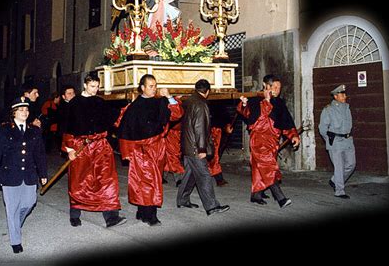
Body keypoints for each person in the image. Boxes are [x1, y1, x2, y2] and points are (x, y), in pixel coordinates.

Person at [116, 74, 184, 226]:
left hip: (157, 148)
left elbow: (177, 114)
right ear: (142, 88)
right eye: (151, 86)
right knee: (146, 182)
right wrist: (128, 153)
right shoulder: (133, 107)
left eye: (155, 86)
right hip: (141, 151)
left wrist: (170, 97)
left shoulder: (160, 102)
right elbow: (125, 130)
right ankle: (150, 214)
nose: (154, 89)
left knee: (153, 180)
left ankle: (142, 211)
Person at [62, 73, 126, 228]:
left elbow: (114, 118)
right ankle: (75, 214)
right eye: (92, 86)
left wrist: (127, 109)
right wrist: (69, 149)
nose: (95, 89)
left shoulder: (100, 102)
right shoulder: (74, 103)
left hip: (101, 146)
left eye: (97, 86)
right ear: (85, 85)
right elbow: (66, 128)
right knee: (79, 181)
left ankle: (111, 216)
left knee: (107, 180)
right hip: (80, 147)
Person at [0, 97, 47, 254]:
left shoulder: (34, 130)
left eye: (26, 110)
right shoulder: (4, 129)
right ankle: (15, 240)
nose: (25, 112)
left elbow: (40, 154)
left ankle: (14, 225)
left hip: (29, 174)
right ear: (14, 112)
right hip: (9, 175)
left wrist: (43, 173)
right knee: (12, 209)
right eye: (21, 110)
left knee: (30, 202)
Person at [237, 74, 300, 208]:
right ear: (266, 86)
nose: (277, 90)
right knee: (269, 168)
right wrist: (245, 104)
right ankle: (280, 198)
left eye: (279, 87)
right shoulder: (256, 100)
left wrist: (293, 135)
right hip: (259, 140)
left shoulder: (279, 102)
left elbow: (286, 121)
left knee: (260, 168)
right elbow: (250, 117)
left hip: (273, 141)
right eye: (275, 87)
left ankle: (256, 195)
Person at [177, 79, 230, 216]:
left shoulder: (188, 101)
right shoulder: (201, 104)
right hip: (195, 147)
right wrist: (202, 149)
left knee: (190, 174)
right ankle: (211, 206)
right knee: (205, 176)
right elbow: (200, 128)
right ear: (207, 91)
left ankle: (182, 199)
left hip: (187, 146)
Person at [318, 84, 356, 199]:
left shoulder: (347, 108)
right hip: (335, 141)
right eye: (342, 94)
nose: (345, 96)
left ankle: (334, 180)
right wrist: (329, 140)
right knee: (339, 167)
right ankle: (339, 191)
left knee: (351, 165)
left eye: (344, 94)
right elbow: (322, 128)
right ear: (335, 96)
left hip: (348, 140)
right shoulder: (328, 110)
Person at [56, 85, 76, 155]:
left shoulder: (76, 105)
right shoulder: (63, 108)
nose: (72, 95)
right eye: (69, 93)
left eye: (73, 93)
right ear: (63, 96)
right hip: (68, 137)